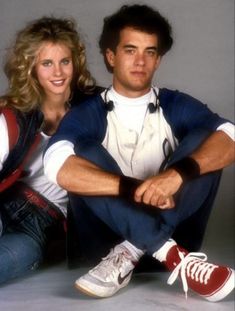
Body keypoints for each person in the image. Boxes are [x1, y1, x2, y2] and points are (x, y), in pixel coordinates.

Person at [44, 5, 235, 302]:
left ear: (158, 60)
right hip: (104, 252)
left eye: (150, 52)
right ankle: (166, 252)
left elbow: (231, 137)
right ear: (111, 56)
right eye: (130, 50)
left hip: (174, 239)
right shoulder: (87, 114)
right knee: (83, 152)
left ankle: (140, 247)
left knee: (207, 138)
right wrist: (134, 188)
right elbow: (56, 165)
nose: (140, 61)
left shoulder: (175, 103)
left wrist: (177, 174)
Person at [0, 16, 99, 285]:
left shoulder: (96, 108)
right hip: (6, 205)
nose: (58, 72)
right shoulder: (13, 115)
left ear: (75, 63)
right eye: (47, 63)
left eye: (64, 61)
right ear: (31, 67)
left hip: (42, 226)